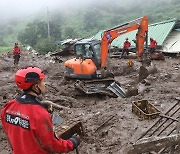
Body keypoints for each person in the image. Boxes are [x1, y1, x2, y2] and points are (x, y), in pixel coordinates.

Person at [0, 66, 80, 154]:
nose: (44, 84)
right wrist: (72, 143)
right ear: (35, 86)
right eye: (43, 81)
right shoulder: (40, 114)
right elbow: (52, 146)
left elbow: (10, 136)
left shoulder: (8, 107)